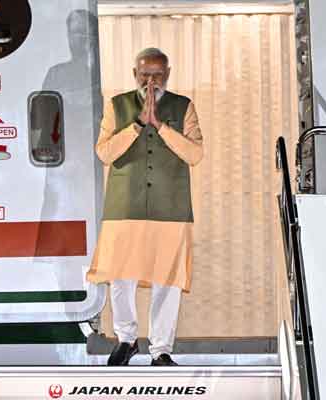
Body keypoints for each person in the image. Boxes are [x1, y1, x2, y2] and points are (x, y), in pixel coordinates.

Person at [87, 48, 204, 366]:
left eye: (157, 74)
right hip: (124, 205)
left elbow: (194, 155)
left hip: (171, 208)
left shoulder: (184, 107)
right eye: (144, 75)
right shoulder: (117, 106)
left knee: (167, 279)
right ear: (133, 74)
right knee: (120, 276)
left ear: (168, 73)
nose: (151, 81)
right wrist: (138, 124)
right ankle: (126, 340)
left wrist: (162, 127)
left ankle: (161, 349)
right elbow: (104, 153)